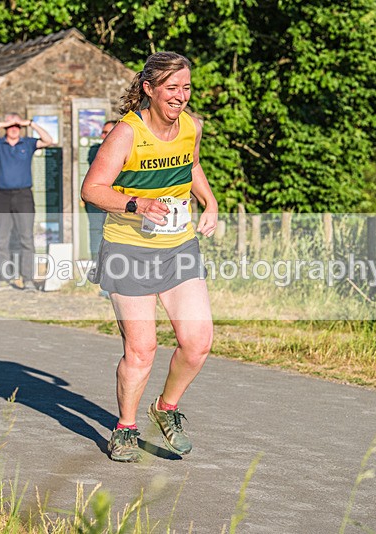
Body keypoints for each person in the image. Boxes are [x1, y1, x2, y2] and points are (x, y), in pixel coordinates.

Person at [81, 52, 218, 462]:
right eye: (172, 88)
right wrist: (137, 205)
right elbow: (92, 189)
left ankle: (166, 408)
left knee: (197, 343)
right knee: (142, 350)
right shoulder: (126, 133)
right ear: (150, 89)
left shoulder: (192, 125)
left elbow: (189, 165)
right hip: (128, 249)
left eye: (187, 87)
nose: (181, 96)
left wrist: (208, 202)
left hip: (178, 246)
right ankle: (125, 427)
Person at [0, 113, 54, 291]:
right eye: (10, 126)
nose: (13, 129)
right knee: (2, 239)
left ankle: (28, 280)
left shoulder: (27, 143)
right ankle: (3, 278)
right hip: (2, 196)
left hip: (23, 195)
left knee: (26, 238)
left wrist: (31, 124)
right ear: (5, 127)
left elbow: (49, 140)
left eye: (16, 126)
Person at [85, 120, 116, 298]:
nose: (103, 136)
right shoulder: (95, 151)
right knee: (96, 238)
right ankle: (102, 280)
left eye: (107, 132)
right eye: (102, 133)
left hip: (117, 202)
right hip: (98, 203)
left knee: (114, 241)